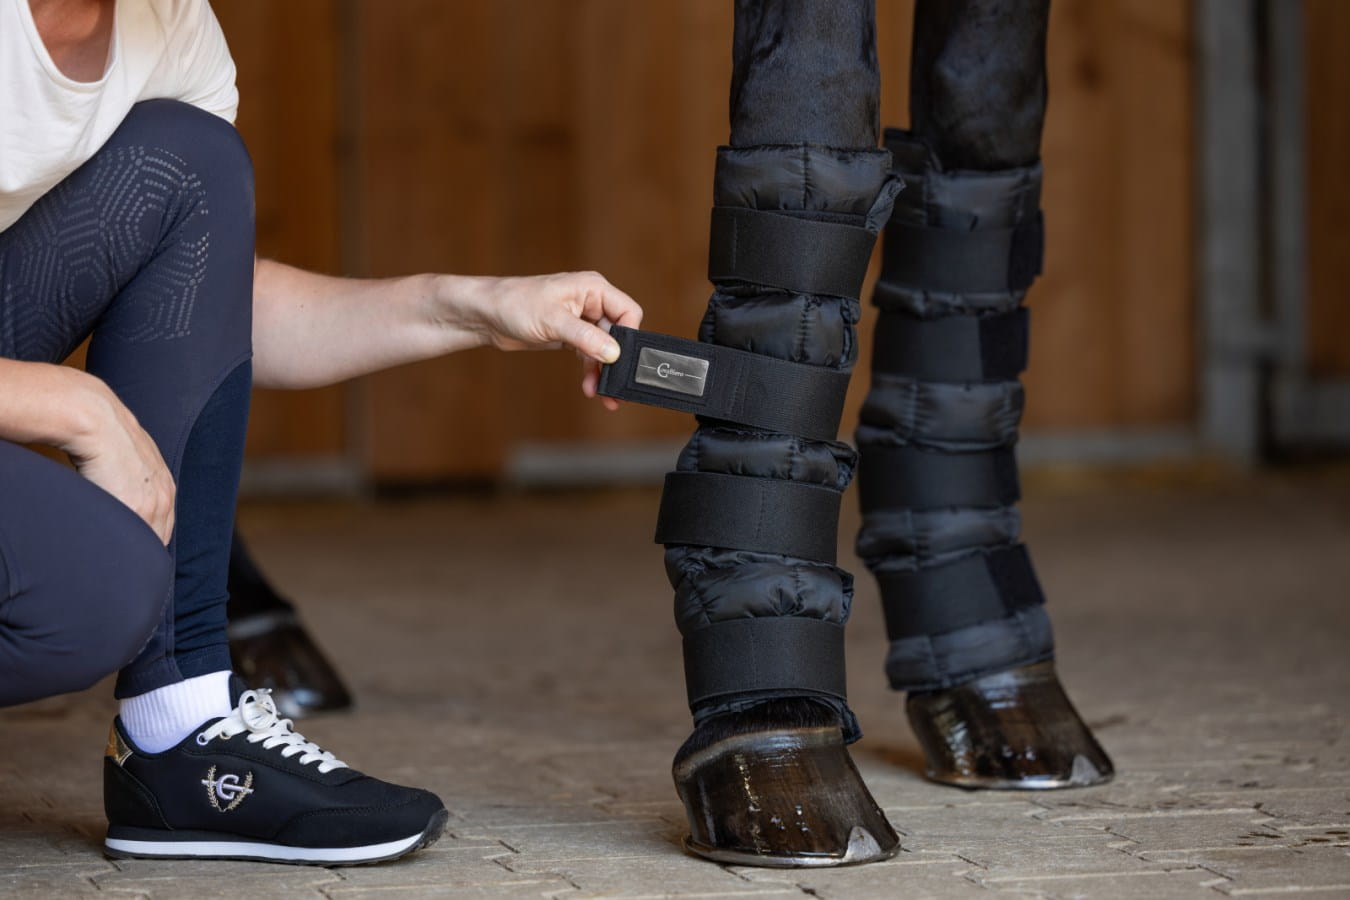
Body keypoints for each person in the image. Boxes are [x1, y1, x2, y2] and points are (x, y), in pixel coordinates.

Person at [0, 0, 640, 866]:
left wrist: (473, 306)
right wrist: (75, 407)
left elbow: (201, 299)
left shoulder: (170, 26)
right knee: (93, 591)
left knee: (193, 162)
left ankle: (182, 733)